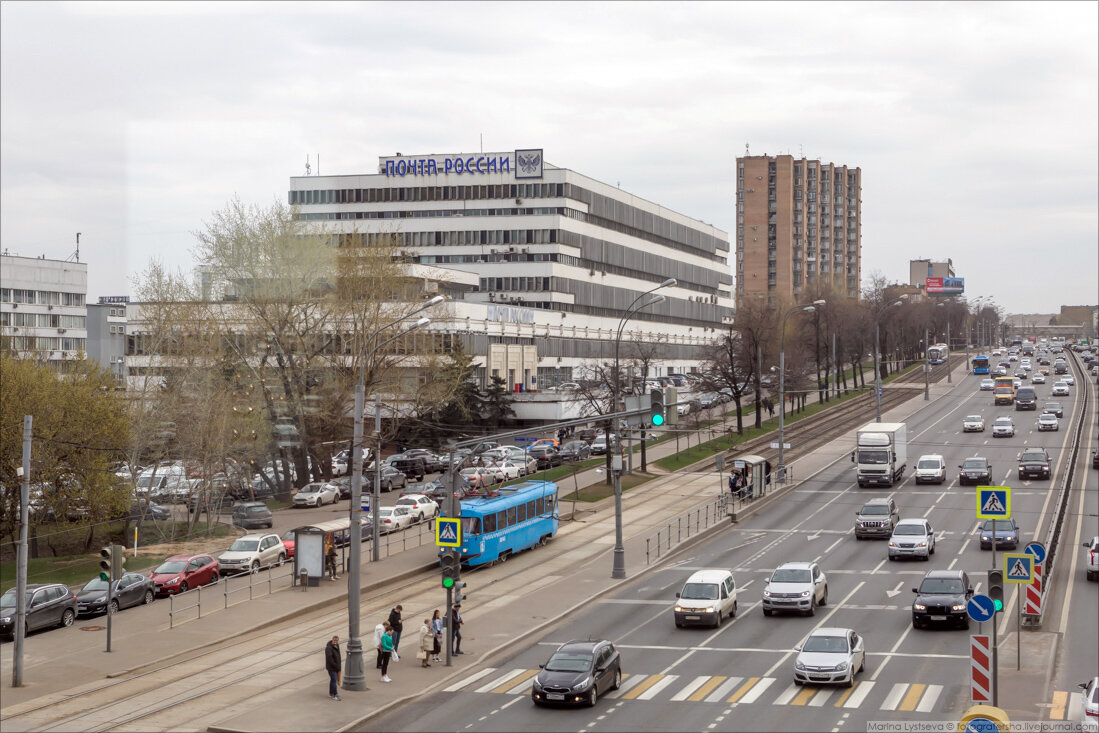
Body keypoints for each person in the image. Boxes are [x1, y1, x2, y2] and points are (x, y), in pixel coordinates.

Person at [325, 635, 342, 701]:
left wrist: (339, 666)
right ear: (332, 640)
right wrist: (336, 665)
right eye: (334, 640)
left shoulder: (337, 646)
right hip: (331, 668)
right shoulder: (328, 648)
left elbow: (338, 656)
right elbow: (330, 659)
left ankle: (331, 693)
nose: (335, 642)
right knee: (334, 680)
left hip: (336, 667)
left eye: (337, 640)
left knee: (332, 680)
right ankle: (335, 695)